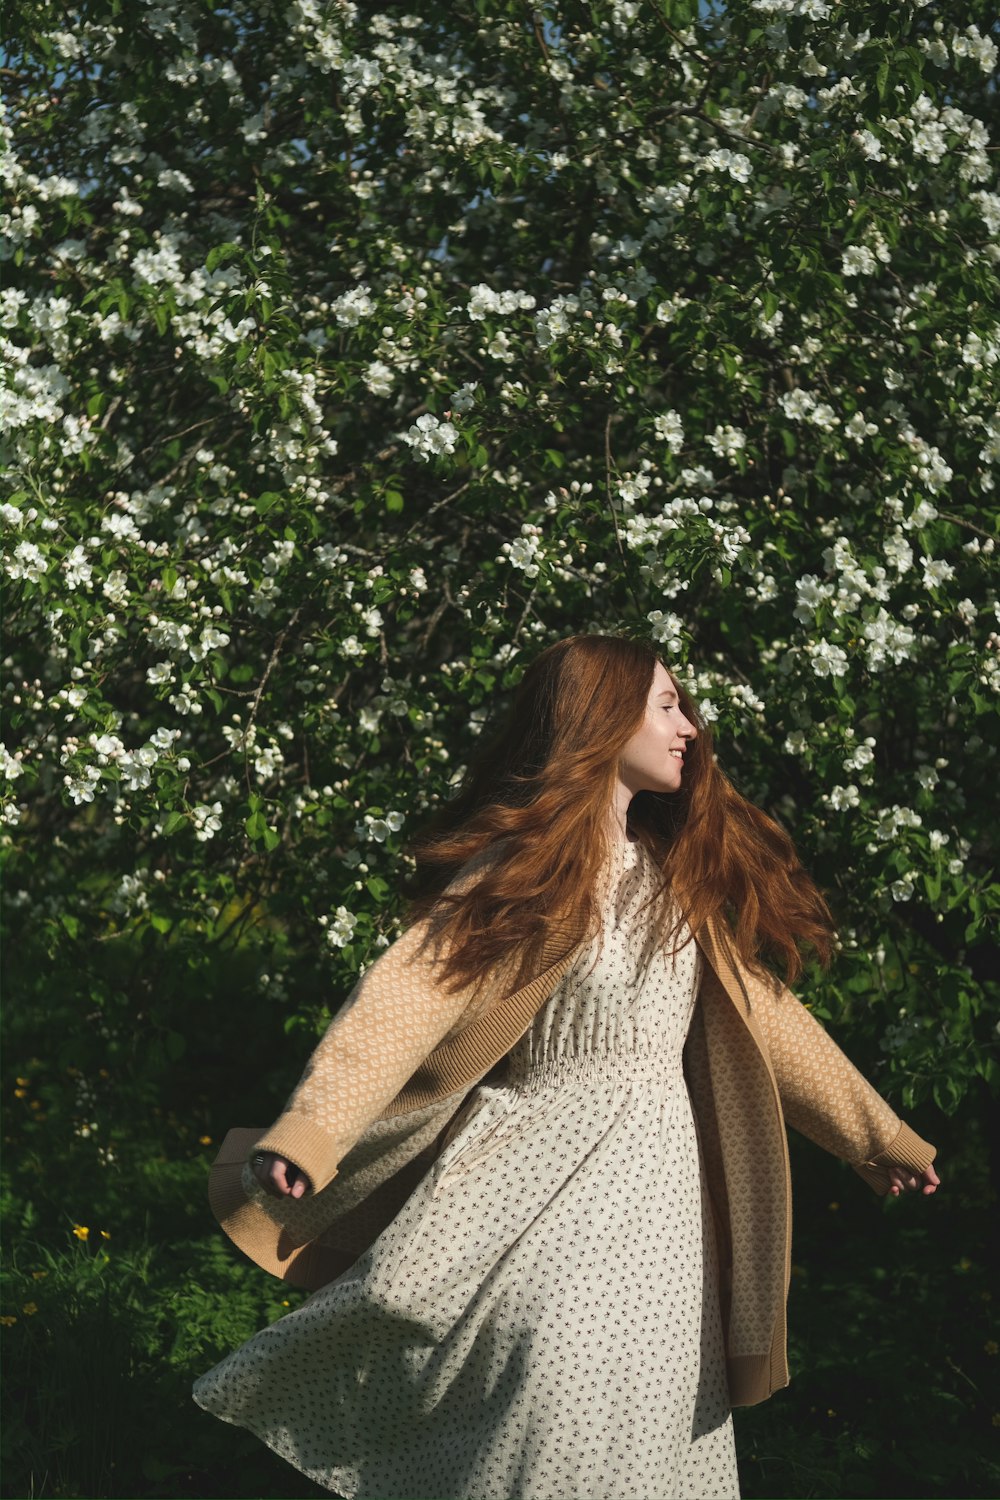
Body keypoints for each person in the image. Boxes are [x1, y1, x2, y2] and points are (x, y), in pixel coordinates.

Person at [193, 632, 940, 1500]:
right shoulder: (524, 873)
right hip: (532, 1187)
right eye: (666, 706)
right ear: (602, 718)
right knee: (549, 1410)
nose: (689, 727)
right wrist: (313, 1129)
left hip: (660, 1210)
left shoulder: (672, 886)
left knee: (639, 1421)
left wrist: (877, 1136)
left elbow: (772, 1021)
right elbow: (405, 1000)